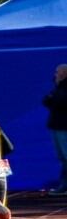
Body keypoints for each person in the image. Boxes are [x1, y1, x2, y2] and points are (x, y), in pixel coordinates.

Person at [44, 65, 67, 194]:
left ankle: (64, 185)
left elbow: (59, 101)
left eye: (57, 71)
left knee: (65, 156)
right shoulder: (58, 87)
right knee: (62, 157)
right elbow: (47, 100)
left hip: (63, 126)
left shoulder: (64, 88)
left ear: (64, 73)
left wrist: (54, 100)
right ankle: (64, 185)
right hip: (57, 126)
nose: (55, 74)